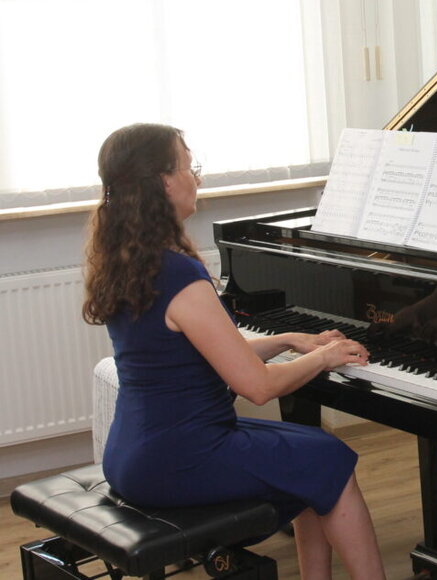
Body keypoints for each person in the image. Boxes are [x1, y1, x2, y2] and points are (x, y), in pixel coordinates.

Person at [82, 123, 387, 580]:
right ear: (165, 181)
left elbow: (199, 354)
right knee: (331, 459)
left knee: (311, 460)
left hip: (133, 453)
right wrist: (323, 357)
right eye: (190, 166)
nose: (197, 178)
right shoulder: (178, 274)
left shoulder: (129, 258)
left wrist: (289, 341)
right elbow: (258, 387)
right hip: (179, 457)